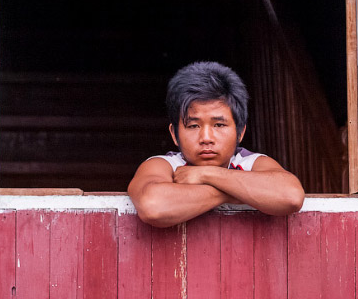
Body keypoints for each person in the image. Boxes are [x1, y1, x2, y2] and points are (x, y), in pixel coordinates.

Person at [128, 61, 304, 227]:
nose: (206, 137)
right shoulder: (166, 165)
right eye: (193, 125)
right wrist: (238, 192)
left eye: (219, 125)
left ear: (240, 132)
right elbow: (152, 206)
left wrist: (205, 175)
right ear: (174, 134)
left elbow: (291, 196)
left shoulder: (248, 162)